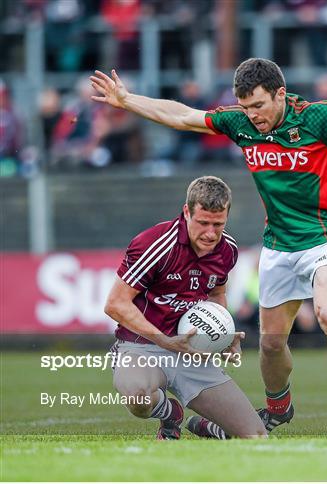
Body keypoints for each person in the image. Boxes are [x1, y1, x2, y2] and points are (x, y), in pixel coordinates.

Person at [91, 56, 327, 437]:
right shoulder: (241, 123)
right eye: (245, 106)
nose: (252, 114)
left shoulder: (316, 117)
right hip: (278, 244)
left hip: (325, 236)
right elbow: (181, 115)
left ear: (280, 94)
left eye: (258, 105)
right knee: (272, 343)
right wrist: (128, 100)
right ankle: (278, 408)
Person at [104, 176, 267, 440]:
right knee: (138, 397)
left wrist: (223, 338)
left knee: (256, 436)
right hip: (141, 346)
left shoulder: (228, 250)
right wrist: (166, 341)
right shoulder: (155, 243)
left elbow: (216, 293)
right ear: (186, 212)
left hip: (191, 352)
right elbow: (115, 304)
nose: (211, 233)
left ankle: (207, 427)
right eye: (203, 223)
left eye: (218, 224)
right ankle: (171, 414)